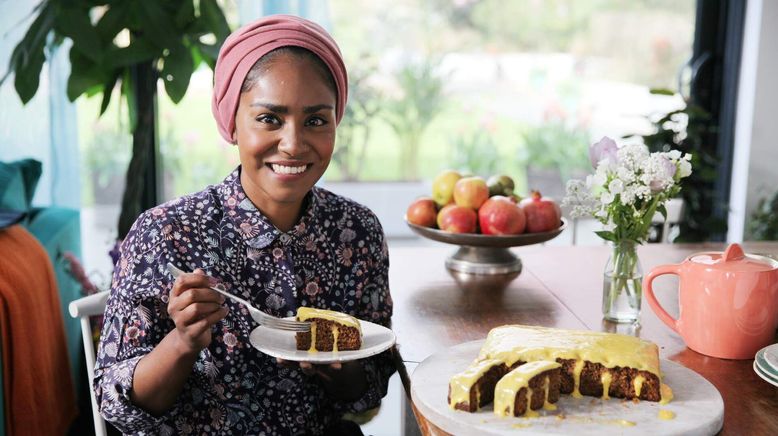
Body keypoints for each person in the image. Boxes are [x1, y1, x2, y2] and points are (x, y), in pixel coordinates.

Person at [93, 15, 394, 435]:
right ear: (231, 122)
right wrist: (182, 342)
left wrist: (336, 365)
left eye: (316, 120)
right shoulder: (165, 233)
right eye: (270, 119)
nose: (293, 143)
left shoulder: (357, 230)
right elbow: (119, 404)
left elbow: (370, 389)